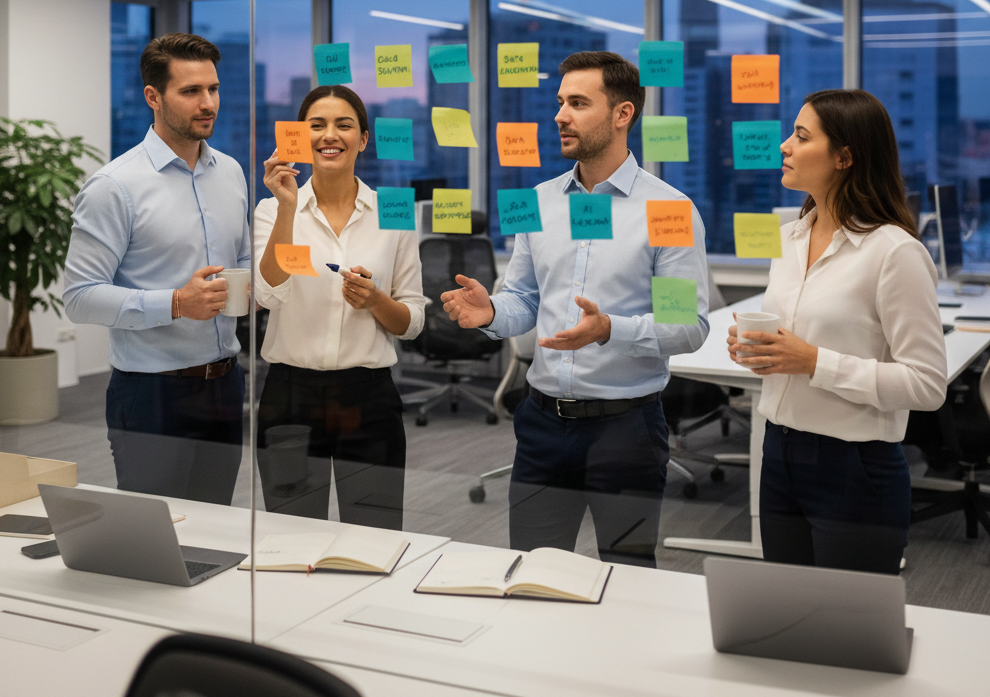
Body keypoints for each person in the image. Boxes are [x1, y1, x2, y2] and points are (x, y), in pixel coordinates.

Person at [441, 51, 710, 567]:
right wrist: (490, 313)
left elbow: (688, 327)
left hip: (626, 429)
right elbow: (523, 301)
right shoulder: (538, 202)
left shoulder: (668, 212)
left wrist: (610, 329)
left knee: (628, 578)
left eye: (578, 103)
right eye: (560, 102)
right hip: (541, 424)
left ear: (622, 114)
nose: (560, 115)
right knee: (532, 575)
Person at [727, 89, 947, 574]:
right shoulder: (789, 237)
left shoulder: (894, 253)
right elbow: (793, 343)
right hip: (778, 453)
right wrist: (758, 351)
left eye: (801, 136)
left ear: (845, 156)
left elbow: (927, 386)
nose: (784, 145)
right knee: (789, 621)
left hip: (854, 468)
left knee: (847, 634)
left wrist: (812, 361)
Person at [64, 33, 250, 504]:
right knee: (157, 538)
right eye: (190, 92)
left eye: (213, 88)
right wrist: (175, 303)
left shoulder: (230, 172)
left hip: (226, 385)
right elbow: (80, 296)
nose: (207, 103)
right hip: (151, 395)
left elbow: (241, 262)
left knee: (217, 530)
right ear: (153, 96)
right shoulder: (115, 186)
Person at [254, 85, 425, 531]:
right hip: (289, 397)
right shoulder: (270, 210)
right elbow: (267, 291)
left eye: (344, 125)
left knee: (373, 538)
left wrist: (376, 301)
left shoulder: (394, 211)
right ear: (298, 136)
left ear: (363, 139)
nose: (330, 135)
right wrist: (289, 206)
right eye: (317, 125)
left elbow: (412, 321)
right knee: (291, 537)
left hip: (367, 398)